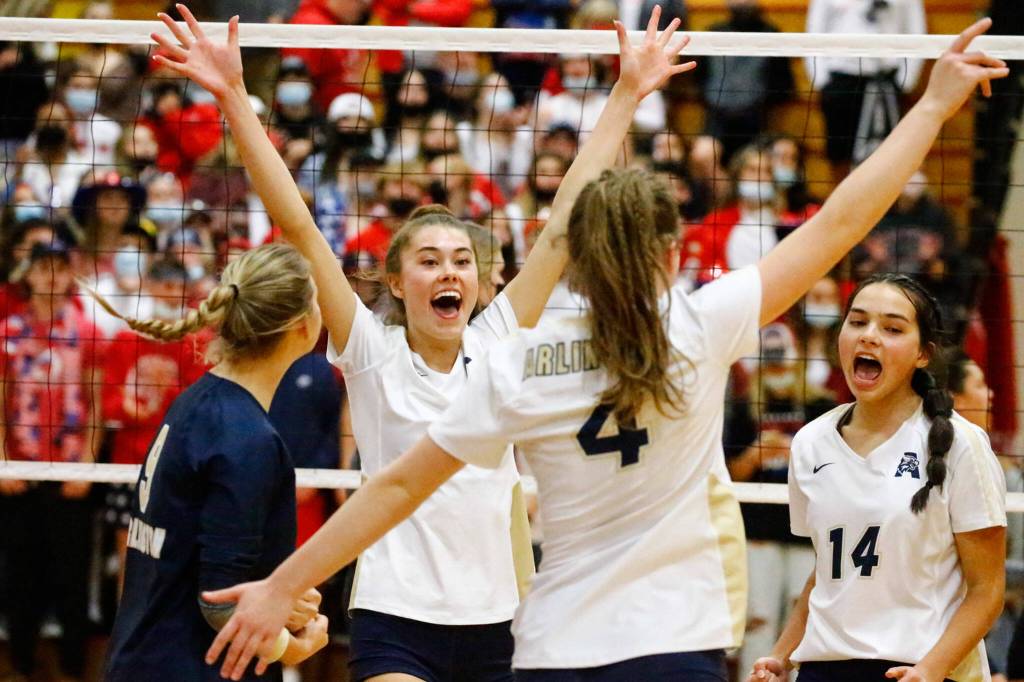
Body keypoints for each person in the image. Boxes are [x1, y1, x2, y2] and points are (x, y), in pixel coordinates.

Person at [201, 16, 1009, 682]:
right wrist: (933, 108)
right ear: (672, 255)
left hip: (550, 647)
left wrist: (283, 584)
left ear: (574, 255)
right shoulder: (697, 326)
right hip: (671, 644)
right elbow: (838, 222)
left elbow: (399, 485)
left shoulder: (518, 356)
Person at [150, 5, 695, 682]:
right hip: (395, 620)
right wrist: (233, 95)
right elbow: (296, 223)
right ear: (398, 280)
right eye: (430, 260)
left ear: (482, 282)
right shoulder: (371, 351)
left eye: (463, 261)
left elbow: (565, 222)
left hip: (501, 620)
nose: (449, 272)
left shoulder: (499, 340)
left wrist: (624, 92)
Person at [749, 274, 1006, 682]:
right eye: (858, 321)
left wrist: (930, 670)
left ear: (923, 353)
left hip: (918, 670)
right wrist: (782, 655)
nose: (869, 336)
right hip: (824, 671)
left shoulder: (961, 444)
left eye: (892, 328)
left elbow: (988, 590)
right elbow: (831, 575)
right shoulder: (811, 442)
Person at [103, 243, 330, 681]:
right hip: (192, 666)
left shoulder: (196, 401)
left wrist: (281, 594)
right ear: (303, 326)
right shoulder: (247, 439)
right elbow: (220, 602)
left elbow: (203, 561)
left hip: (145, 657)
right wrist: (293, 647)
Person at [0, 239, 101, 682]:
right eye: (43, 268)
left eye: (60, 267)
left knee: (70, 576)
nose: (52, 276)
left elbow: (96, 402)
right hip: (19, 469)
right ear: (29, 275)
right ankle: (20, 662)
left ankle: (74, 667)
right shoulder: (7, 330)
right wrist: (2, 460)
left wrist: (90, 465)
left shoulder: (87, 329)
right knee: (19, 573)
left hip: (69, 470)